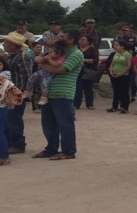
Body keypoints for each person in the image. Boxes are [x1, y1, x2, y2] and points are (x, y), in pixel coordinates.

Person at [32, 29, 84, 160]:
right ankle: (51, 149)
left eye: (62, 36)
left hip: (63, 92)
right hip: (49, 91)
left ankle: (68, 151)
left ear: (71, 40)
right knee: (48, 123)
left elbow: (60, 69)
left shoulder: (76, 54)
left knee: (65, 123)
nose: (59, 38)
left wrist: (43, 66)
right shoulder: (59, 51)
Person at [2, 32, 32, 154]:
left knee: (14, 120)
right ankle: (11, 142)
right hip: (9, 93)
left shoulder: (20, 57)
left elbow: (26, 75)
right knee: (8, 120)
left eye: (6, 42)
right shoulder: (11, 56)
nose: (4, 44)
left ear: (13, 46)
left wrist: (21, 92)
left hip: (14, 93)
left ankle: (17, 143)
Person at [23, 41, 66, 106]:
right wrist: (44, 58)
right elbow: (38, 60)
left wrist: (50, 60)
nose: (49, 53)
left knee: (44, 84)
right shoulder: (47, 55)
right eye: (49, 51)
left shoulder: (60, 58)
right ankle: (28, 91)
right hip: (42, 71)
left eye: (51, 52)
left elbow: (56, 65)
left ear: (58, 53)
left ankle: (44, 97)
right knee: (31, 78)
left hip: (49, 74)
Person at [73, 35, 99, 110]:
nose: (81, 41)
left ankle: (89, 104)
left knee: (89, 88)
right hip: (77, 71)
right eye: (80, 39)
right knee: (78, 88)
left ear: (88, 41)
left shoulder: (93, 50)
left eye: (83, 39)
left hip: (88, 71)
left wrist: (84, 60)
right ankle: (76, 104)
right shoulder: (76, 49)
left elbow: (95, 60)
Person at [107, 40, 132, 114]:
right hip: (114, 74)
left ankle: (125, 107)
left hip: (123, 75)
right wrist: (111, 71)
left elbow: (129, 66)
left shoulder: (127, 54)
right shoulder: (116, 54)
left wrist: (121, 73)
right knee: (116, 91)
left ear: (122, 46)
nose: (115, 47)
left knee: (124, 91)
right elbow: (112, 64)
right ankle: (114, 106)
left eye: (117, 45)